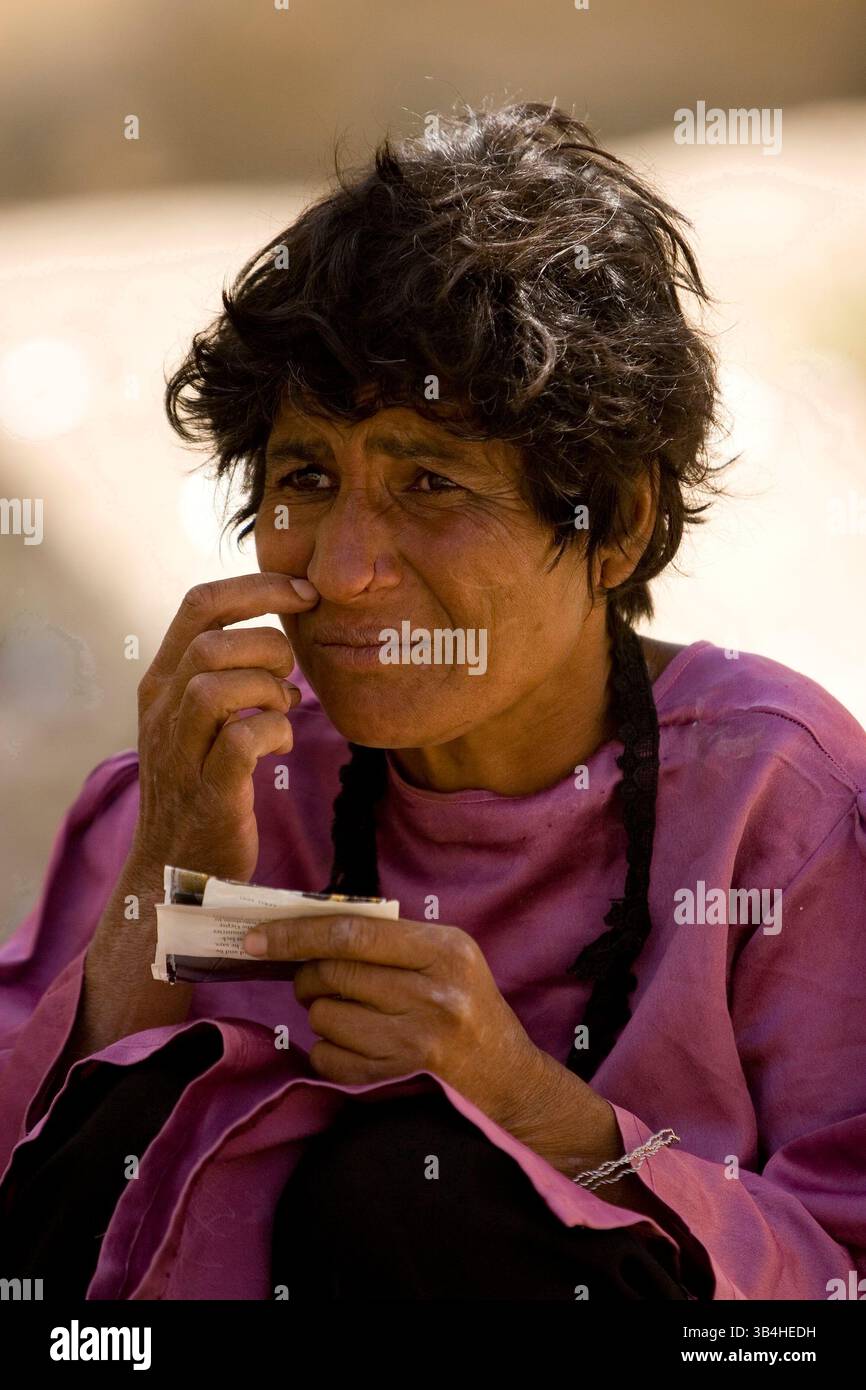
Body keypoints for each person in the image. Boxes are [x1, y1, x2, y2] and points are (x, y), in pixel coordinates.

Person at [1, 101, 864, 1302]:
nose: (347, 568)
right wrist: (173, 873)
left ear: (608, 523)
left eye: (429, 481)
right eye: (306, 477)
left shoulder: (781, 803)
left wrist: (530, 1105)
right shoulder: (233, 773)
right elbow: (34, 1214)